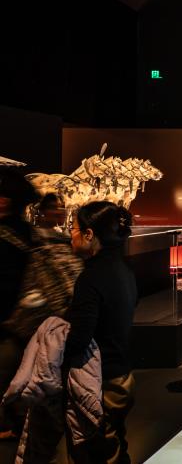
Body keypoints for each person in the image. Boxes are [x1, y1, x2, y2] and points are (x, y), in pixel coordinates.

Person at [65, 201, 138, 463]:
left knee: (100, 451)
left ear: (89, 234)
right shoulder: (123, 270)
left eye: (73, 228)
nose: (70, 235)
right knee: (115, 443)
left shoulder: (92, 277)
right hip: (122, 373)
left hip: (101, 379)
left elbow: (81, 336)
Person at [0, 167, 40, 440]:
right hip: (25, 315)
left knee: (9, 371)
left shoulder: (10, 234)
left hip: (10, 317)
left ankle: (11, 423)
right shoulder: (29, 232)